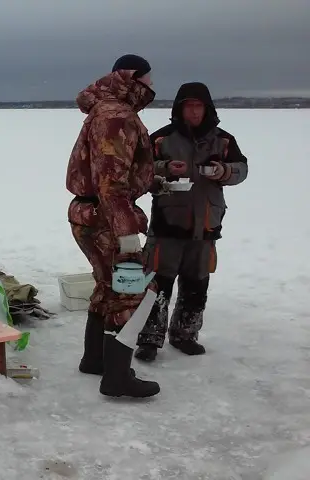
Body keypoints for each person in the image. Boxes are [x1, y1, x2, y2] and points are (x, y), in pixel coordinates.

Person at [66, 54, 161, 398]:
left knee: (108, 288)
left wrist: (150, 179)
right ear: (133, 79)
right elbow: (109, 181)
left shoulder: (108, 110)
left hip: (94, 214)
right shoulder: (117, 116)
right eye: (149, 81)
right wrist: (126, 233)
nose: (152, 87)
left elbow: (111, 174)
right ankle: (118, 376)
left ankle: (96, 360)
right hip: (108, 219)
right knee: (130, 294)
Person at [134, 82, 249, 362]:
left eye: (199, 106)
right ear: (179, 109)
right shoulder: (161, 139)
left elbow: (242, 169)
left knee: (197, 283)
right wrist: (163, 169)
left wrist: (223, 171)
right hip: (167, 224)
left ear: (207, 109)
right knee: (157, 282)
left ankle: (185, 334)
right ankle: (148, 339)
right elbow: (139, 172)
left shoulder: (223, 140)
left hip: (206, 225)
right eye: (189, 106)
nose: (194, 112)